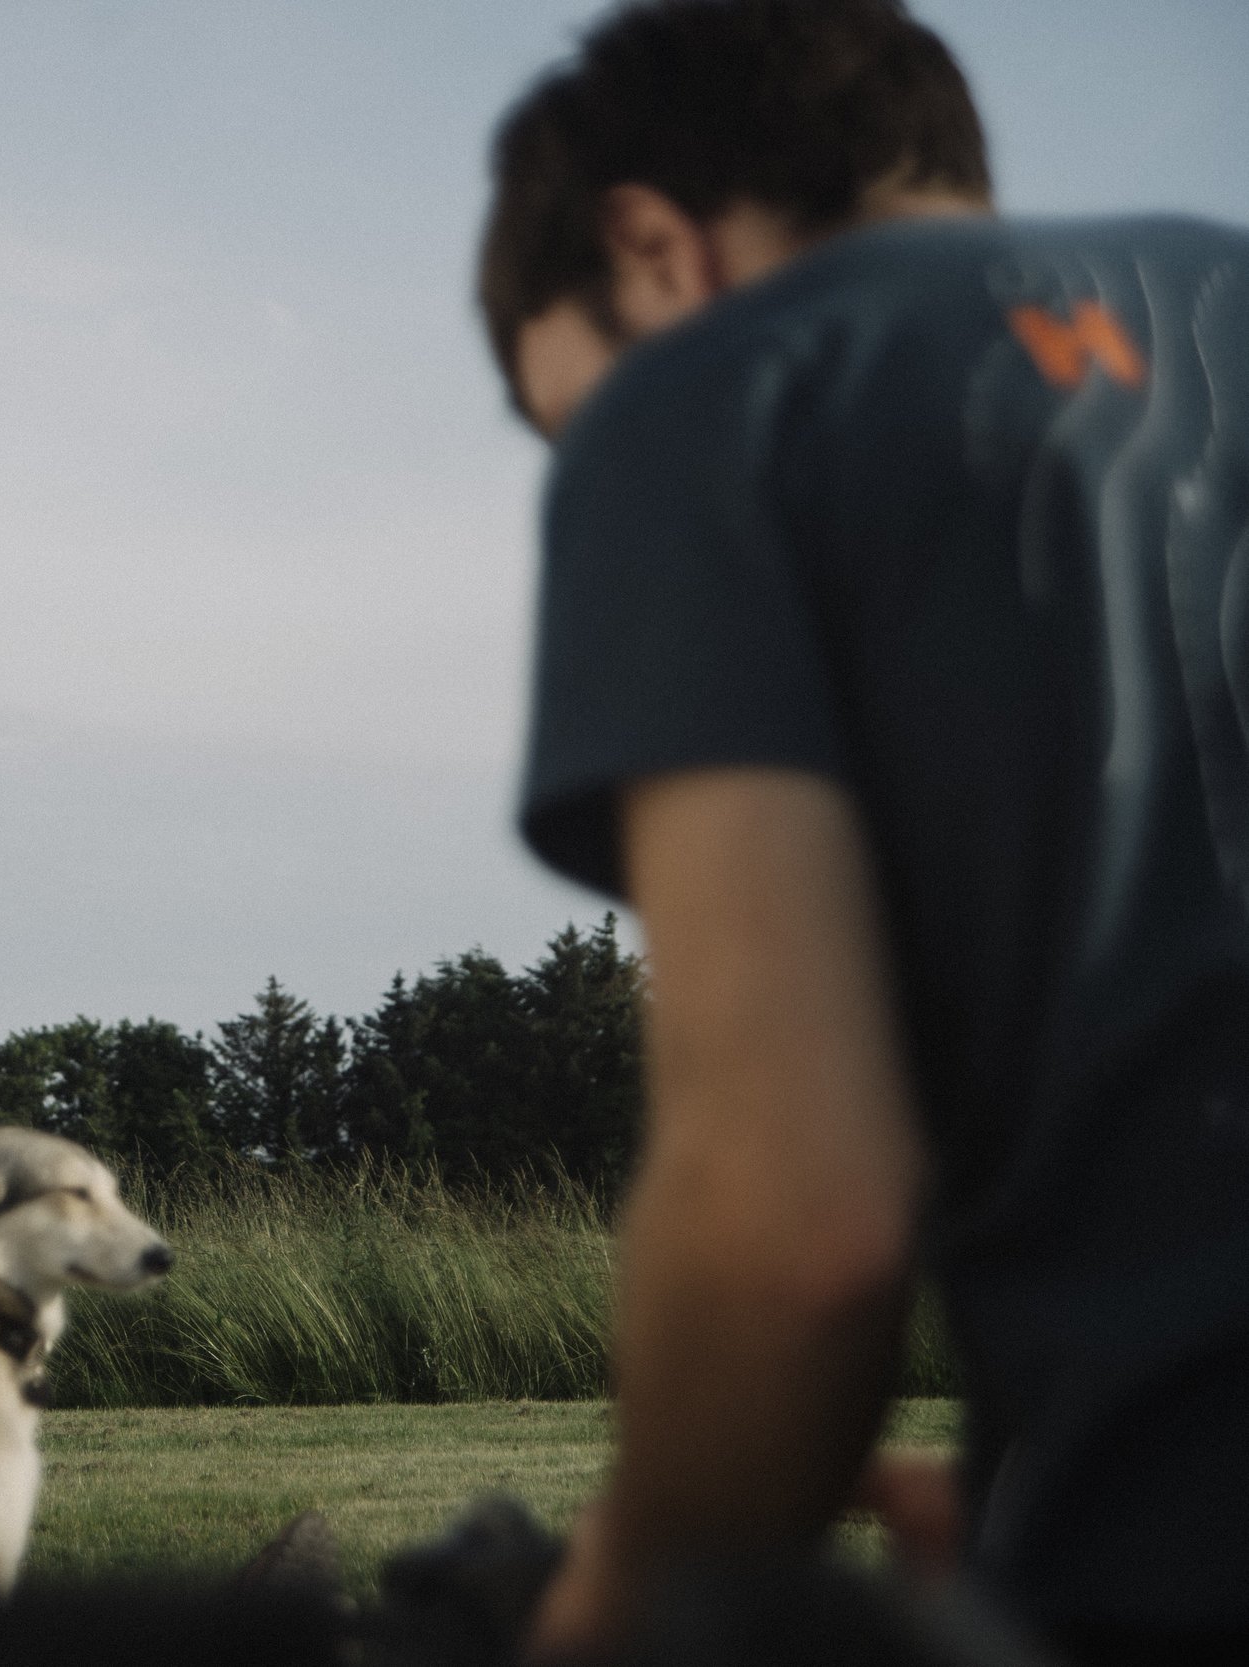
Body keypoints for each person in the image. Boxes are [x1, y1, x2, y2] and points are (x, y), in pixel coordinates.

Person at [473, 2, 1249, 1661]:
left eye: (570, 414)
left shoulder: (715, 396)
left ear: (652, 249)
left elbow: (797, 1230)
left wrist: (612, 1602)